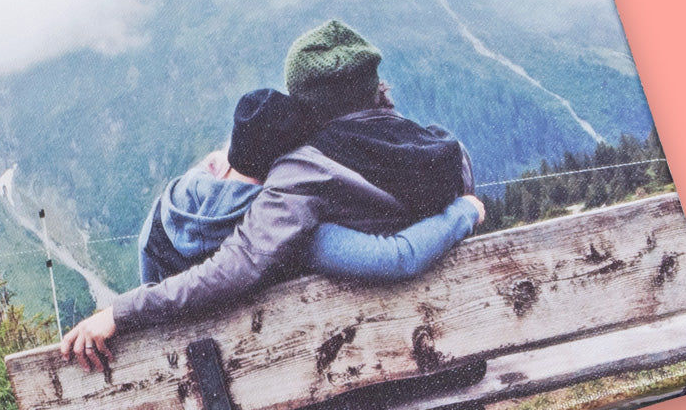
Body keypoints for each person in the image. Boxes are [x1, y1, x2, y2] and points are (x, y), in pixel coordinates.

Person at [62, 19, 479, 371]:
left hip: (356, 367)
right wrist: (465, 211)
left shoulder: (305, 172)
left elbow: (236, 267)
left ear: (306, 104)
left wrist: (121, 311)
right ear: (373, 86)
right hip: (456, 346)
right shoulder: (449, 154)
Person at [137, 87, 483, 288]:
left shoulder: (165, 212)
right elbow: (396, 257)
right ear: (287, 161)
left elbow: (152, 291)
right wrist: (464, 211)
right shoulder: (288, 227)